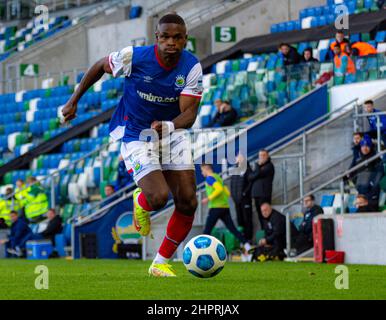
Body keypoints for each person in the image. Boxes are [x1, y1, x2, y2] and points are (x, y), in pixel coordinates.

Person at [62, 14, 203, 277]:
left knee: (188, 202)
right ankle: (142, 200)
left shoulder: (192, 67)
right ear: (157, 38)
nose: (171, 42)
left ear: (185, 39)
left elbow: (190, 114)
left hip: (171, 133)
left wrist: (169, 126)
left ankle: (160, 263)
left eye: (177, 37)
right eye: (165, 37)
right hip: (134, 133)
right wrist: (74, 100)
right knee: (158, 198)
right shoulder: (134, 57)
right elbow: (99, 66)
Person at [201, 164, 253, 255]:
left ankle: (201, 251)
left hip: (215, 208)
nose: (202, 173)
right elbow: (227, 192)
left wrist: (208, 198)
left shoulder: (210, 178)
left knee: (207, 231)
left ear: (206, 169)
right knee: (233, 229)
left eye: (202, 170)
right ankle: (247, 245)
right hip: (225, 207)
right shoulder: (218, 177)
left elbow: (219, 189)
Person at [350, 136, 384, 210]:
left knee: (369, 210)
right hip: (361, 191)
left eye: (367, 146)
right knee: (360, 212)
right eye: (363, 146)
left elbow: (380, 173)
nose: (365, 148)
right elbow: (351, 172)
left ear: (371, 147)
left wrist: (372, 184)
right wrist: (357, 184)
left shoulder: (376, 158)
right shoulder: (358, 158)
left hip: (372, 192)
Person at [247, 150, 275, 229]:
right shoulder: (258, 167)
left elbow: (257, 174)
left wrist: (257, 166)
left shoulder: (269, 166)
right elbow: (250, 177)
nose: (262, 157)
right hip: (256, 194)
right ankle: (264, 231)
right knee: (260, 215)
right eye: (260, 155)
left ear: (267, 156)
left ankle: (269, 231)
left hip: (264, 194)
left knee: (266, 215)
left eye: (264, 155)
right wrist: (257, 168)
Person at [230, 154, 253, 241]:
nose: (236, 158)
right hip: (236, 200)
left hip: (245, 200)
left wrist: (244, 194)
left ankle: (249, 239)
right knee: (240, 220)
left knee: (247, 219)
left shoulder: (247, 168)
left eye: (238, 156)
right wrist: (233, 195)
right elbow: (232, 184)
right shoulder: (235, 169)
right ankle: (242, 240)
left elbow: (250, 183)